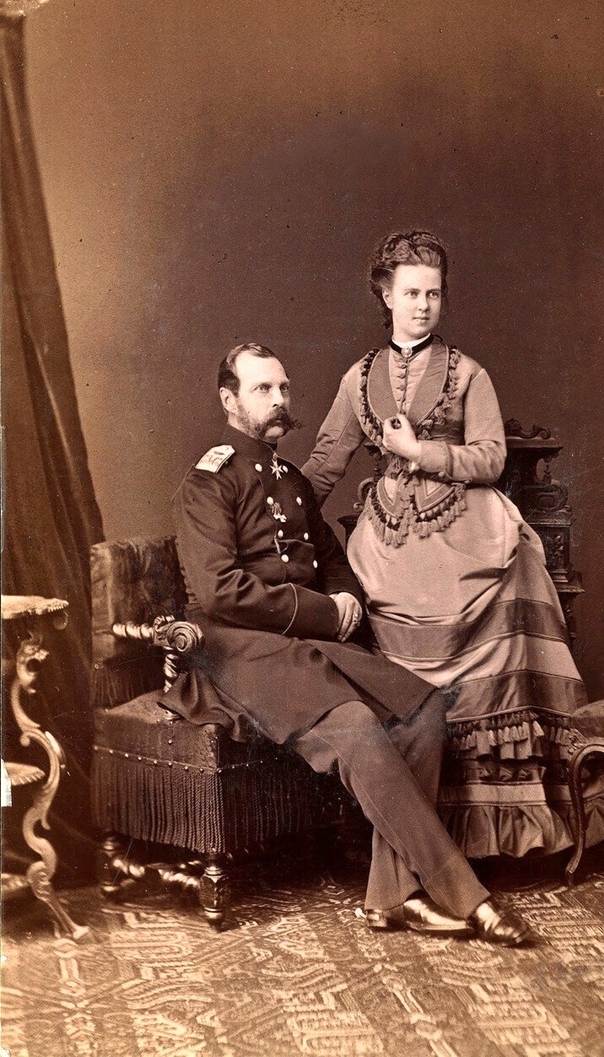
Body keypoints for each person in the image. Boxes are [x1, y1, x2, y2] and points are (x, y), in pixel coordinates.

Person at [163, 342, 532, 945]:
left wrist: (345, 598)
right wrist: (322, 612)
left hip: (302, 647)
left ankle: (391, 896)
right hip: (235, 652)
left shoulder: (292, 480)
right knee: (356, 724)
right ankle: (467, 896)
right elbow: (219, 591)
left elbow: (331, 558)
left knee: (422, 708)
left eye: (283, 388)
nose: (279, 400)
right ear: (230, 400)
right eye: (263, 390)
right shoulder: (208, 482)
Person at [302, 230, 604, 859]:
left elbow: (490, 457)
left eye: (433, 294)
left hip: (465, 527)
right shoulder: (359, 377)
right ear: (386, 295)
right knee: (369, 621)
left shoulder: (468, 372)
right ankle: (406, 824)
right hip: (389, 540)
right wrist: (280, 517)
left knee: (513, 586)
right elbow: (326, 461)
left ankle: (499, 823)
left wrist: (420, 452)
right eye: (411, 293)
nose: (423, 305)